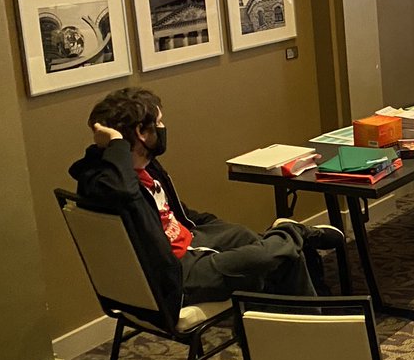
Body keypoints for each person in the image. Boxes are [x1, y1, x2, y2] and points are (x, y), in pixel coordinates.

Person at [70, 88, 343, 319]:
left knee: (253, 241)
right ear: (142, 132)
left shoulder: (144, 168)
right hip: (179, 274)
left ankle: (291, 332)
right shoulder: (106, 183)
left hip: (190, 241)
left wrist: (212, 226)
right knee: (271, 257)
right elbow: (125, 192)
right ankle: (296, 233)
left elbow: (175, 212)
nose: (164, 128)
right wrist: (117, 143)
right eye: (159, 123)